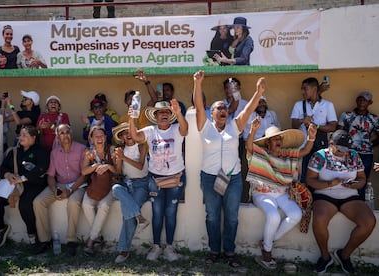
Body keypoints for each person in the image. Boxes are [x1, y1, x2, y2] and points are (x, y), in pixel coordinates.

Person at [192, 70, 265, 268]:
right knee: (213, 216)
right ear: (212, 113)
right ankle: (215, 250)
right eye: (218, 108)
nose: (223, 110)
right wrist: (197, 84)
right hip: (209, 178)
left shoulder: (234, 126)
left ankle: (230, 251)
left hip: (232, 179)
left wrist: (258, 93)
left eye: (225, 107)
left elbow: (248, 111)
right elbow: (198, 106)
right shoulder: (204, 126)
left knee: (232, 217)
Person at [246, 119, 316, 270]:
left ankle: (266, 242)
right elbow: (249, 146)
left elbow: (305, 151)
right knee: (274, 216)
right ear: (268, 143)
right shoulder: (261, 153)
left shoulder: (287, 154)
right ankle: (267, 253)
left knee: (296, 214)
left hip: (282, 193)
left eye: (279, 138)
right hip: (262, 193)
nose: (278, 141)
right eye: (274, 139)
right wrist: (252, 130)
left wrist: (311, 137)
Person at [306, 130, 376, 274]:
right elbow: (310, 180)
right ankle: (325, 257)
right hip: (325, 193)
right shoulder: (320, 156)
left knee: (369, 222)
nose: (343, 153)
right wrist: (330, 184)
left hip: (350, 195)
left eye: (346, 150)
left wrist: (354, 184)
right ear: (331, 144)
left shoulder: (354, 155)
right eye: (340, 150)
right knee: (319, 220)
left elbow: (362, 179)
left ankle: (344, 255)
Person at [129, 100, 188, 262]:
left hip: (176, 178)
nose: (163, 114)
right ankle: (156, 247)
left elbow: (185, 129)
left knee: (170, 213)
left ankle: (169, 247)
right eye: (160, 112)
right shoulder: (150, 130)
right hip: (155, 179)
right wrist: (131, 118)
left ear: (171, 116)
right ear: (155, 116)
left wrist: (179, 113)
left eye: (167, 112)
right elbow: (135, 136)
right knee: (157, 213)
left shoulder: (176, 129)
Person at [0, 125, 49, 247]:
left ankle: (33, 237)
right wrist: (8, 174)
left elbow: (40, 169)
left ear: (33, 137)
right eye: (20, 135)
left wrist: (21, 179)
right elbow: (4, 167)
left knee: (25, 204)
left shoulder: (41, 151)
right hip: (13, 186)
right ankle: (1, 230)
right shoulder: (14, 152)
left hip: (33, 185)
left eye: (24, 135)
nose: (20, 138)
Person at [33, 124, 87, 255]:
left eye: (67, 132)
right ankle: (45, 240)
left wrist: (70, 190)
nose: (65, 135)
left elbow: (84, 175)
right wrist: (54, 189)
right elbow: (51, 175)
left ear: (71, 134)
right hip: (60, 184)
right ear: (57, 136)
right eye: (62, 133)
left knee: (73, 202)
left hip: (78, 185)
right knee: (38, 202)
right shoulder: (54, 153)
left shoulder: (82, 149)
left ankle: (71, 241)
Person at [111, 122, 150, 263]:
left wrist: (123, 158)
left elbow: (140, 166)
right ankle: (140, 218)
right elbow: (118, 172)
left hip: (141, 184)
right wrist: (117, 159)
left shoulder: (142, 146)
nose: (128, 134)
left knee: (128, 215)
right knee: (116, 189)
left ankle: (123, 250)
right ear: (121, 137)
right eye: (124, 133)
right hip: (127, 184)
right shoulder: (120, 150)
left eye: (130, 131)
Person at [291, 77, 337, 183]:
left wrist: (317, 126)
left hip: (321, 148)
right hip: (303, 148)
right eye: (302, 89)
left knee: (320, 177)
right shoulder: (299, 105)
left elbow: (333, 126)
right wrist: (303, 120)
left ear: (315, 89)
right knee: (302, 178)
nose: (302, 92)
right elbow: (293, 125)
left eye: (305, 89)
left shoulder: (328, 105)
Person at [81, 126, 116, 255]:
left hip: (111, 186)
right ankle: (98, 236)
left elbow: (118, 171)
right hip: (94, 186)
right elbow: (84, 171)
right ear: (91, 139)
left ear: (106, 138)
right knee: (86, 204)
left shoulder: (112, 150)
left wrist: (107, 166)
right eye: (96, 136)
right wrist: (95, 166)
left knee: (104, 205)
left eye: (102, 136)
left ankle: (91, 241)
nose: (99, 138)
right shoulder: (89, 152)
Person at [337, 91, 379, 198]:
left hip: (366, 154)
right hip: (349, 153)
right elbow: (338, 134)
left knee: (362, 180)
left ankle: (359, 203)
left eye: (364, 100)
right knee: (347, 178)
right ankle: (346, 201)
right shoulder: (346, 116)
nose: (361, 102)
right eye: (359, 99)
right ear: (356, 101)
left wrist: (370, 144)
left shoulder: (374, 118)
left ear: (370, 103)